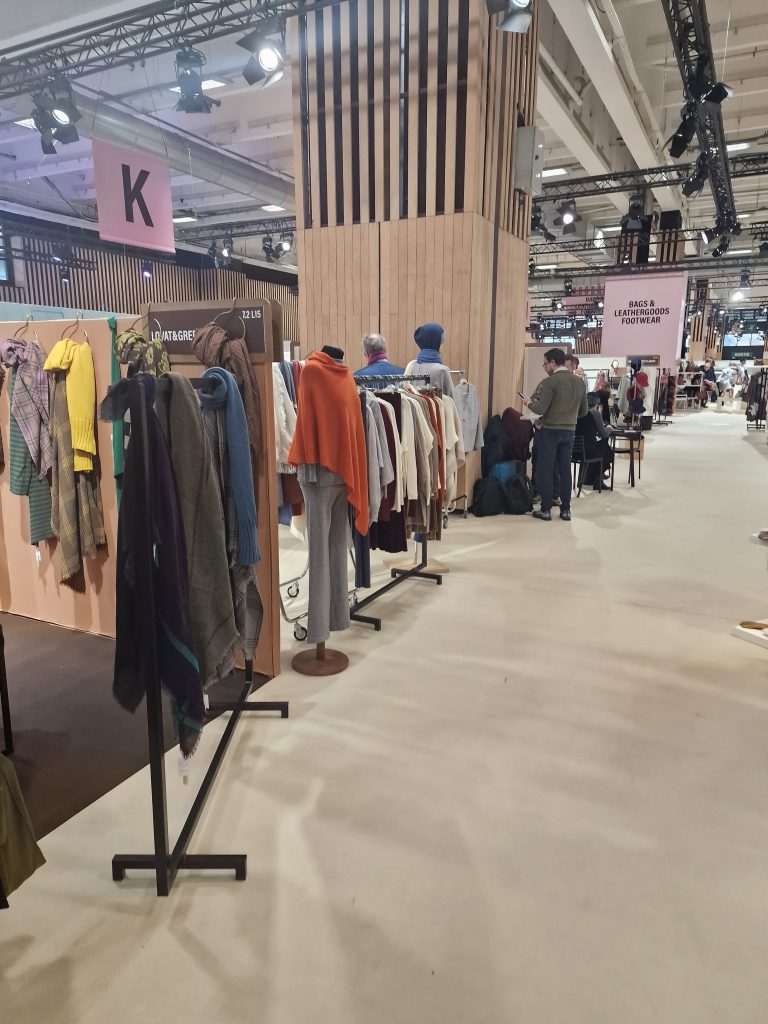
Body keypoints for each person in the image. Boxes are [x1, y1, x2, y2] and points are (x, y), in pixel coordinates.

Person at [524, 348, 588, 522]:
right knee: (565, 470)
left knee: (546, 469)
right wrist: (569, 417)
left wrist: (527, 402)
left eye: (545, 364)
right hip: (570, 431)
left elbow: (540, 409)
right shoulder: (579, 383)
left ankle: (546, 510)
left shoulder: (550, 382)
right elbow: (584, 411)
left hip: (549, 431)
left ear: (553, 362)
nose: (545, 367)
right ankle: (566, 510)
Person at [404, 322, 454, 396]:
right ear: (437, 343)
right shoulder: (442, 371)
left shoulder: (411, 367)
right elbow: (452, 400)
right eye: (442, 342)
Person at [575, 393, 613, 489]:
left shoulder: (577, 412)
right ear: (596, 403)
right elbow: (604, 434)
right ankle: (598, 480)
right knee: (606, 449)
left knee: (601, 448)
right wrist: (609, 428)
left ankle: (588, 478)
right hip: (588, 451)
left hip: (575, 451)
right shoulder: (594, 413)